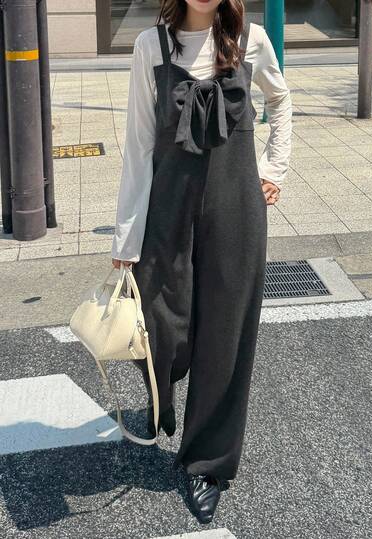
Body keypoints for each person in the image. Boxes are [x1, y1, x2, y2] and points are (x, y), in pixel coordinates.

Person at [111, 0, 292, 524]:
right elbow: (138, 144)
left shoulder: (251, 40)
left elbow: (281, 100)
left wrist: (273, 169)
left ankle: (206, 463)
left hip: (236, 209)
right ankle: (162, 398)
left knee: (226, 338)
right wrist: (126, 238)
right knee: (159, 323)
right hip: (167, 207)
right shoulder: (150, 46)